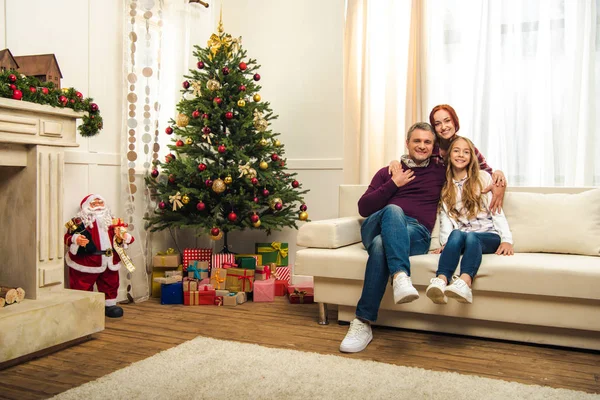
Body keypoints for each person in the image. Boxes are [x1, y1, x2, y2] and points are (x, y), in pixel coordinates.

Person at [339, 122, 446, 353]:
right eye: (417, 141)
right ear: (407, 143)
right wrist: (394, 184)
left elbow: (467, 160)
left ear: (434, 146)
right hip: (377, 225)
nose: (422, 146)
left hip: (416, 233)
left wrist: (496, 175)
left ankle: (362, 322)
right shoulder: (388, 172)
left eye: (427, 142)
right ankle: (400, 275)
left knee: (380, 245)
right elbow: (363, 208)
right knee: (393, 210)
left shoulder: (440, 171)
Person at [426, 137, 513, 305]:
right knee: (458, 233)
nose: (461, 155)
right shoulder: (446, 188)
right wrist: (447, 243)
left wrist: (507, 240)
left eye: (466, 152)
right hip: (464, 237)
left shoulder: (483, 178)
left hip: (488, 236)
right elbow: (446, 220)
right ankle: (441, 280)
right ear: (450, 154)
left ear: (472, 157)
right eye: (456, 151)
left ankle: (465, 282)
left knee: (472, 236)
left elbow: (497, 211)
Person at [390, 104, 506, 213]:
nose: (443, 127)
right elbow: (412, 163)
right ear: (433, 128)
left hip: (459, 200)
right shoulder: (429, 147)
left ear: (455, 122)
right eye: (437, 123)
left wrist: (499, 179)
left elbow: (486, 173)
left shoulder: (465, 146)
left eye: (447, 121)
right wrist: (395, 162)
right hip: (434, 200)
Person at [64, 194, 135, 318]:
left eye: (100, 203)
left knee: (110, 282)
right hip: (88, 260)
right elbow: (68, 238)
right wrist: (77, 239)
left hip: (109, 260)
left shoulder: (112, 221)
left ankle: (109, 304)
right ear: (86, 206)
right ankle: (83, 306)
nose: (97, 206)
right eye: (94, 203)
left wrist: (124, 237)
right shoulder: (80, 222)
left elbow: (127, 237)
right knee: (83, 283)